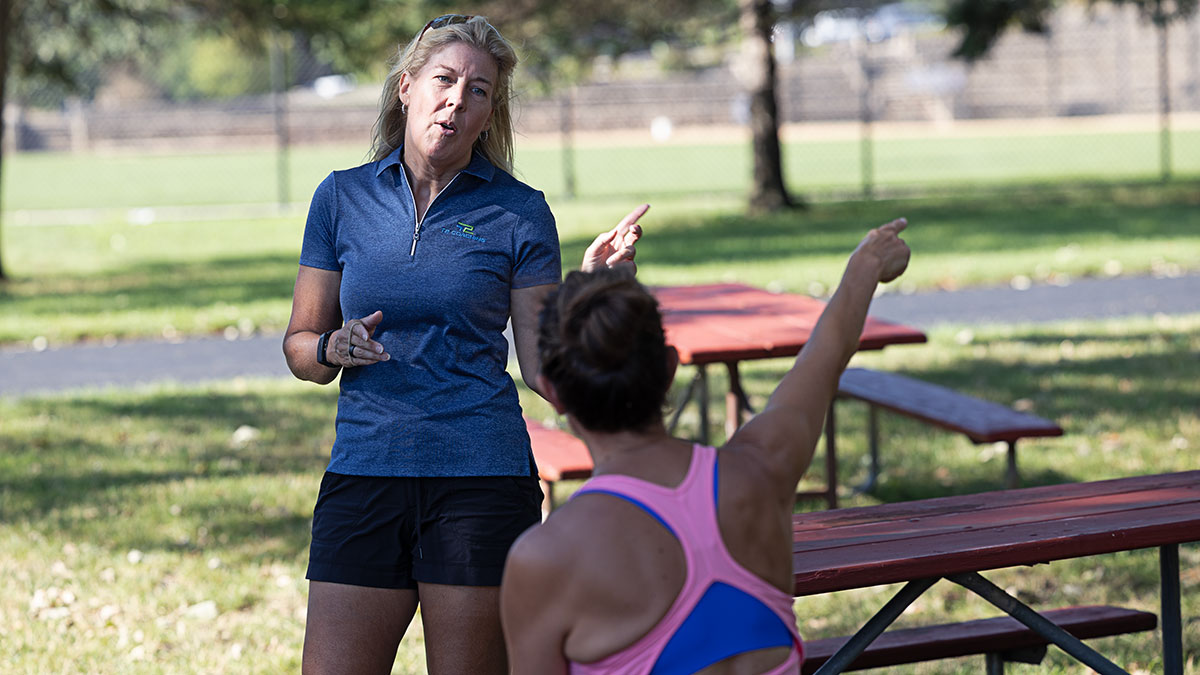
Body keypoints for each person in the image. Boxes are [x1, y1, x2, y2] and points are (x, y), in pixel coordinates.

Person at [282, 15, 646, 675]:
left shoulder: (520, 211)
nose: (457, 99)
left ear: (489, 116)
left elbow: (545, 369)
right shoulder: (341, 198)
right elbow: (299, 347)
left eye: (479, 91)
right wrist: (332, 347)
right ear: (406, 88)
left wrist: (591, 292)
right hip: (365, 471)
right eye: (445, 79)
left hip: (479, 480)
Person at [500, 219, 911, 674]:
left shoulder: (545, 557)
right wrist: (867, 263)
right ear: (671, 367)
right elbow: (828, 353)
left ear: (552, 391)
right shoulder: (762, 470)